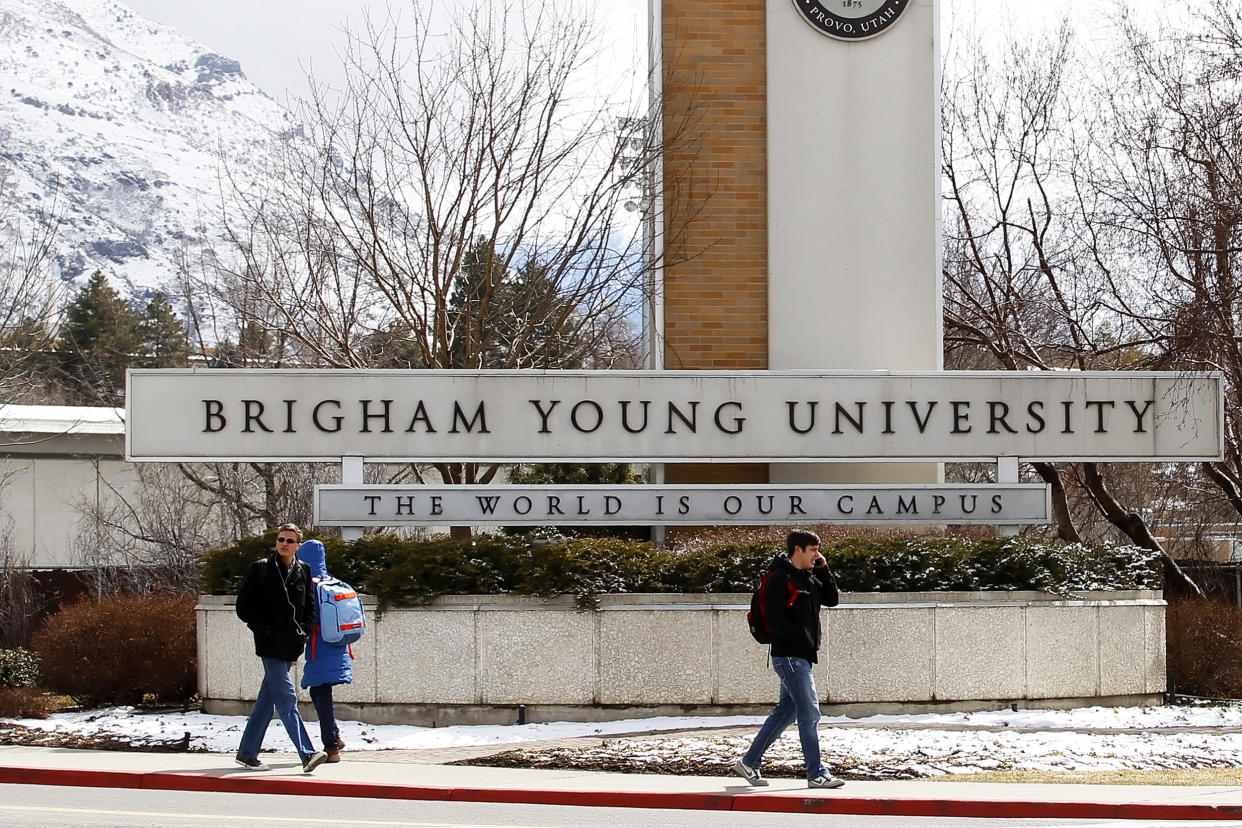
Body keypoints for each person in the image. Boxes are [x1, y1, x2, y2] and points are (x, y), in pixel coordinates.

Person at [734, 528, 843, 789]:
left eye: (818, 550)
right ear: (798, 550)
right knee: (809, 713)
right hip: (790, 657)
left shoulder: (807, 577)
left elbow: (832, 599)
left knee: (786, 712)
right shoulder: (779, 579)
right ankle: (816, 773)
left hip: (801, 656)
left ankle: (749, 762)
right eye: (813, 550)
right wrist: (798, 640)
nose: (817, 554)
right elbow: (774, 620)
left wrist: (823, 570)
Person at [233, 523, 328, 773]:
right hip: (268, 644)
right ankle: (307, 753)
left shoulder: (303, 570)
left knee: (267, 699)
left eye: (289, 541)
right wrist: (263, 630)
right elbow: (244, 607)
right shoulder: (261, 569)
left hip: (290, 645)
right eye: (280, 540)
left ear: (298, 545)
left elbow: (309, 609)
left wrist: (302, 636)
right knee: (286, 698)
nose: (284, 544)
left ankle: (247, 753)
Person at [296, 538, 353, 762]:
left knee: (321, 693)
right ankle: (335, 738)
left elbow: (305, 620)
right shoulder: (334, 583)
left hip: (319, 649)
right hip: (339, 647)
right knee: (321, 692)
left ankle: (331, 747)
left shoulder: (308, 586)